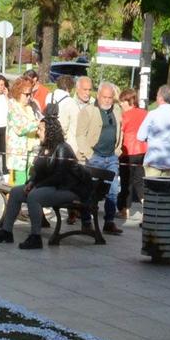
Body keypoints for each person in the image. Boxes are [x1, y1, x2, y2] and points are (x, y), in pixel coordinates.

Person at [0, 138, 101, 251]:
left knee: (34, 196)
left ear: (50, 130)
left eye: (41, 129)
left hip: (71, 189)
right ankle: (6, 232)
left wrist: (36, 186)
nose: (39, 132)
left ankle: (35, 237)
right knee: (16, 192)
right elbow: (37, 171)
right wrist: (31, 183)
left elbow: (58, 177)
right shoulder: (45, 148)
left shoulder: (63, 148)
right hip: (53, 186)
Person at [65, 81, 124, 236]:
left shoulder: (117, 110)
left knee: (112, 191)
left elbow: (120, 130)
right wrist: (88, 154)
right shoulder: (88, 111)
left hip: (111, 157)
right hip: (94, 157)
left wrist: (118, 150)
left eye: (110, 98)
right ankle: (86, 222)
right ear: (98, 96)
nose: (107, 100)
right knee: (89, 191)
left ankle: (109, 222)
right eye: (104, 97)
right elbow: (80, 134)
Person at [137, 85, 170, 181]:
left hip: (154, 159)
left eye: (157, 95)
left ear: (160, 98)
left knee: (151, 191)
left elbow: (140, 136)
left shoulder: (153, 114)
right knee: (164, 191)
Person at [6, 76, 42, 182]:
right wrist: (38, 123)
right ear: (18, 93)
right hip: (18, 156)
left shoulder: (30, 107)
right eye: (26, 94)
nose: (29, 97)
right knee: (18, 186)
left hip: (31, 153)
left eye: (31, 94)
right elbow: (20, 128)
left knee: (28, 184)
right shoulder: (12, 107)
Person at [119, 89, 147, 216]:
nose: (120, 104)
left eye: (122, 101)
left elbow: (120, 131)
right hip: (142, 150)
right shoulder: (145, 113)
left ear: (129, 101)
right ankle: (147, 206)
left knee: (126, 182)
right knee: (139, 181)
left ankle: (125, 209)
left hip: (128, 151)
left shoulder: (124, 116)